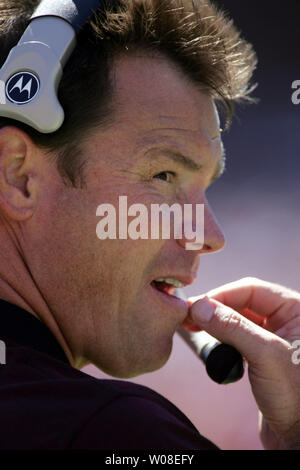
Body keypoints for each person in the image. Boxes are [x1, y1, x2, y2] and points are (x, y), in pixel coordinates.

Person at [0, 0, 299, 450]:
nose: (209, 236)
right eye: (163, 176)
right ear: (19, 177)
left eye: (205, 187)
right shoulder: (116, 431)